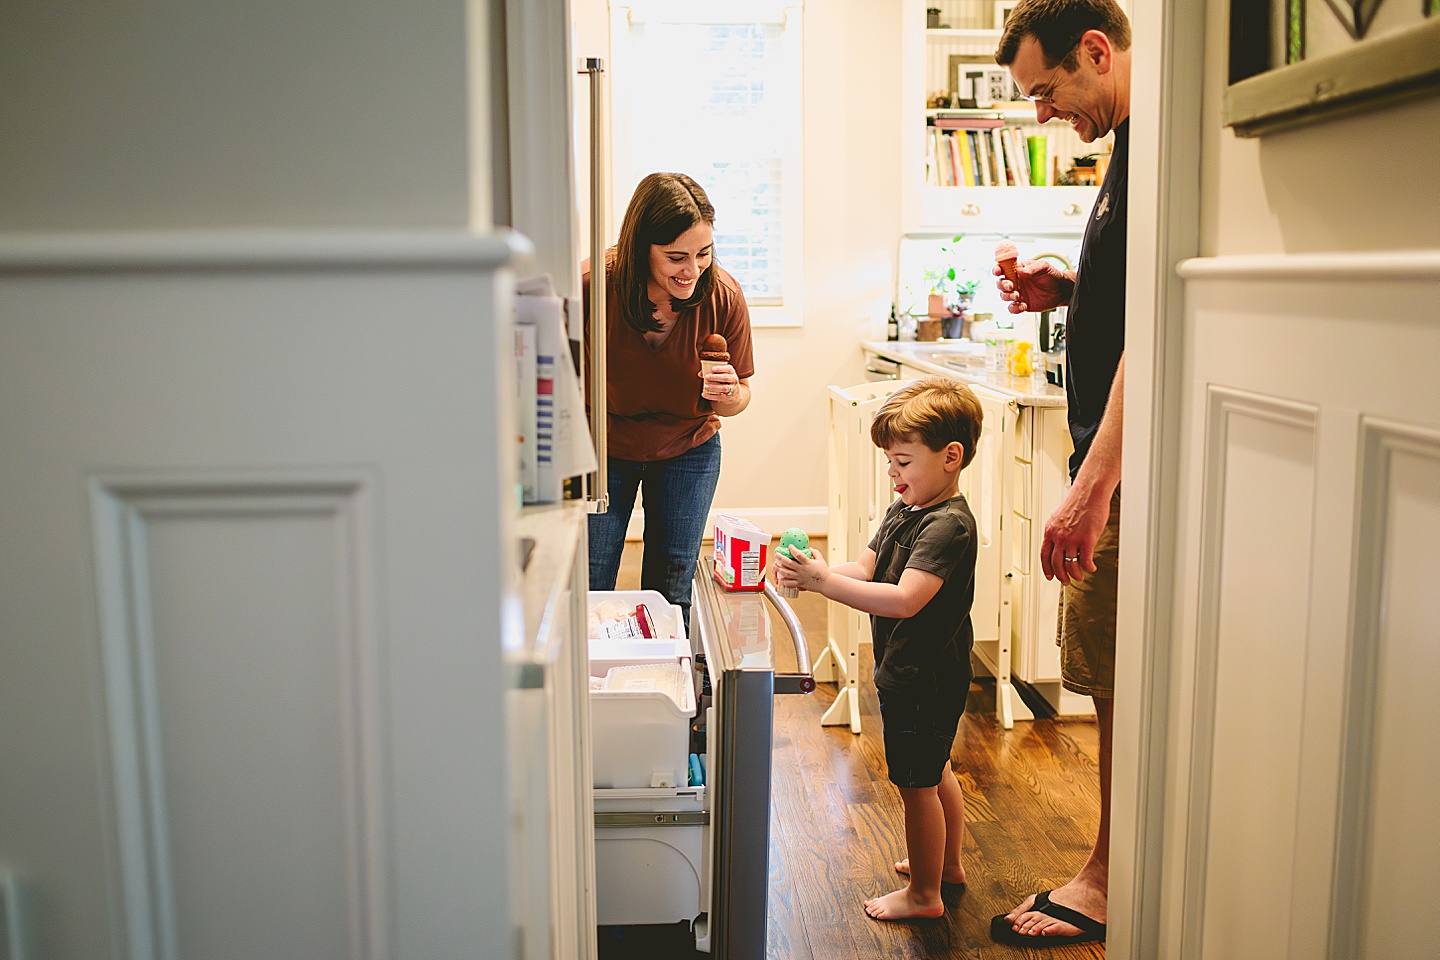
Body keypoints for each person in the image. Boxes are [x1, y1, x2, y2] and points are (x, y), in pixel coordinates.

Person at [989, 0, 1131, 948]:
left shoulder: (1156, 144)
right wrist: (1069, 288)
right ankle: (1116, 860)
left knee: (1115, 670)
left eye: (1047, 90)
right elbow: (1140, 291)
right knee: (1115, 672)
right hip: (1112, 455)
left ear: (1096, 50)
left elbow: (1161, 330)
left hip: (1124, 467)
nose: (1043, 114)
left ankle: (1109, 877)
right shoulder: (1126, 149)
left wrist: (1093, 484)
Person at [775, 378, 983, 922]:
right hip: (912, 668)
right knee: (935, 771)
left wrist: (823, 584)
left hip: (925, 674)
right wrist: (812, 574)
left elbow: (903, 599)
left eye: (902, 462)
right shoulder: (908, 508)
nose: (893, 475)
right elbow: (866, 570)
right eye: (890, 462)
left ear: (950, 458)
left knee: (916, 784)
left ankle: (924, 895)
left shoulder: (949, 527)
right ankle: (947, 866)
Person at [584, 172, 754, 631]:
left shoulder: (722, 296)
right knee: (590, 580)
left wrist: (730, 393)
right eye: (676, 257)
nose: (691, 270)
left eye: (704, 253)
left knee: (672, 586)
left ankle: (669, 693)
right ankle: (591, 693)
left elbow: (738, 401)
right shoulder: (590, 289)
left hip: (688, 449)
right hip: (603, 450)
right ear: (642, 247)